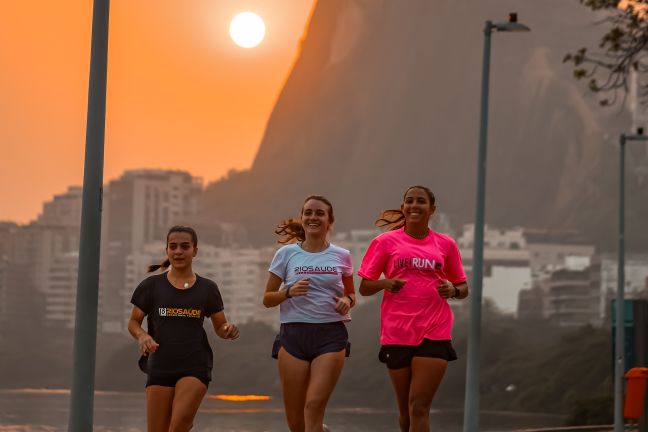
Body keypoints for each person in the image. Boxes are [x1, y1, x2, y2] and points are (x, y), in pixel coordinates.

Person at [358, 186, 469, 432]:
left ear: (432, 210)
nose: (414, 205)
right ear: (403, 206)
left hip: (434, 330)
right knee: (406, 412)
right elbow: (365, 287)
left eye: (420, 201)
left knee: (419, 406)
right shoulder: (385, 242)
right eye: (409, 201)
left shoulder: (446, 244)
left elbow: (463, 287)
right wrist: (386, 283)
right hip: (397, 332)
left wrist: (452, 290)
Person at [127, 225, 240, 432]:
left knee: (179, 425)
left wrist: (228, 329)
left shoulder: (207, 288)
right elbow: (133, 322)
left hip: (194, 366)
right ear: (167, 251)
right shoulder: (151, 286)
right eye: (173, 246)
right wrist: (142, 336)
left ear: (194, 251)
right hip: (160, 365)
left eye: (185, 246)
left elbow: (220, 326)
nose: (178, 251)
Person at [263, 195, 356, 432]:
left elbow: (352, 295)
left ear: (329, 220)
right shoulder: (286, 254)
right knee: (296, 423)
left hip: (330, 335)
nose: (313, 217)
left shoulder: (342, 255)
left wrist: (346, 300)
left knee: (313, 406)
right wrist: (289, 292)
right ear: (302, 218)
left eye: (319, 213)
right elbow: (267, 298)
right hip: (293, 335)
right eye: (308, 212)